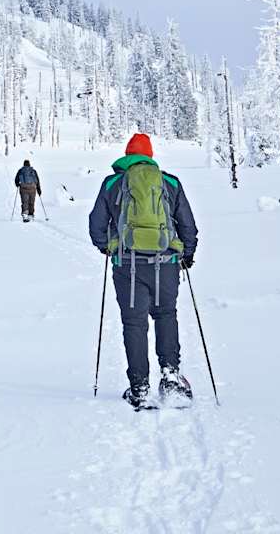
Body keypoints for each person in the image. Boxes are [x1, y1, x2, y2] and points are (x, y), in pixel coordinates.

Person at [88, 134, 198, 409]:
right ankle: (171, 377)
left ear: (127, 156)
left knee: (134, 323)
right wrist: (187, 254)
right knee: (165, 316)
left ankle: (139, 387)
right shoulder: (169, 182)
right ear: (149, 155)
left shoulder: (112, 183)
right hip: (166, 265)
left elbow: (96, 224)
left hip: (128, 266)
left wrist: (108, 248)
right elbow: (187, 225)